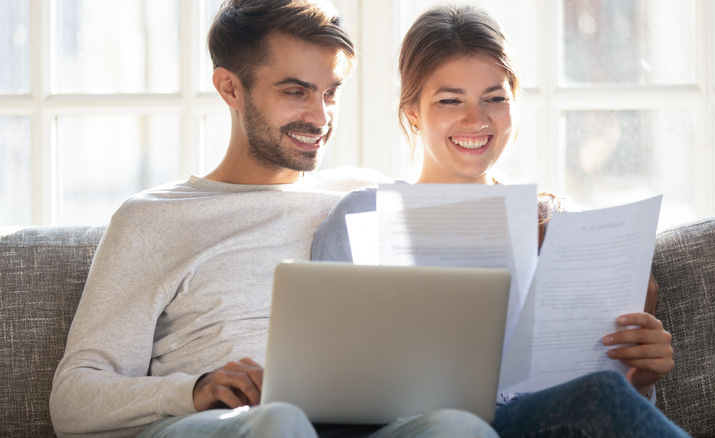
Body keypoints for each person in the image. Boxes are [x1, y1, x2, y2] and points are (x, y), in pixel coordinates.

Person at [49, 1, 499, 437]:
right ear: (230, 88)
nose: (320, 116)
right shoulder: (153, 220)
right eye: (295, 91)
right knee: (280, 422)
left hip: (357, 422)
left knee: (458, 426)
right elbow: (73, 400)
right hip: (220, 423)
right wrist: (196, 389)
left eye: (331, 92)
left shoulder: (363, 198)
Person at [311, 4, 688, 437]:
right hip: (421, 429)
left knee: (602, 392)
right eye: (450, 100)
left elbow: (599, 403)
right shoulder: (362, 216)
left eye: (495, 98)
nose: (476, 120)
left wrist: (640, 380)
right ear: (412, 111)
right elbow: (324, 387)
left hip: (549, 424)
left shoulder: (559, 221)